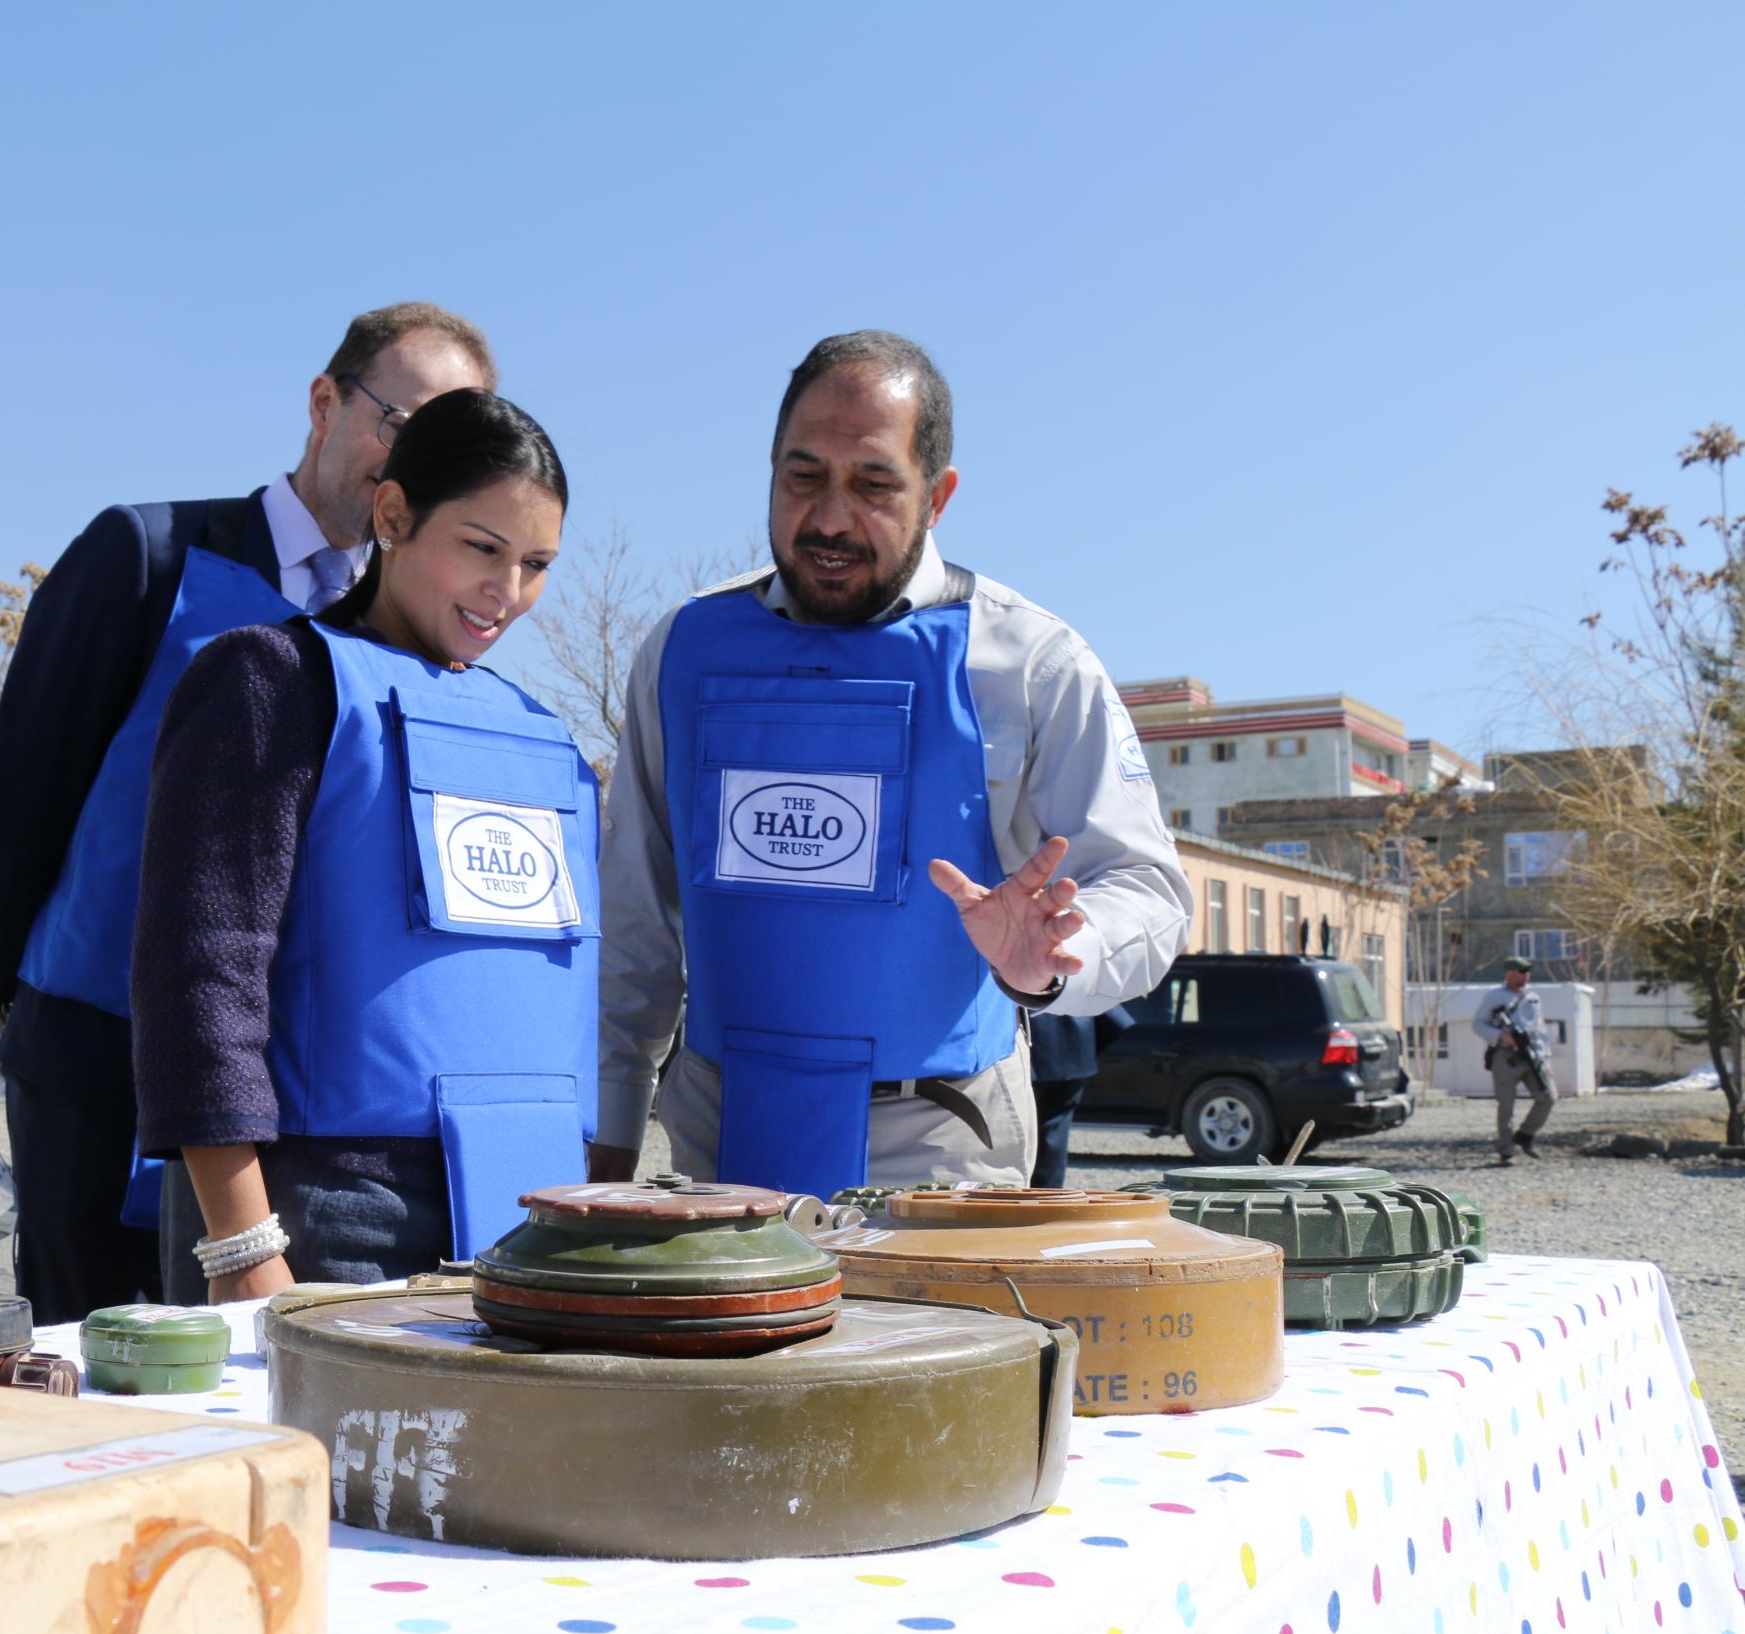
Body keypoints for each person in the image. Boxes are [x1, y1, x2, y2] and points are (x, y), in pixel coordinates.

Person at [0, 302, 496, 1324]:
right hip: (96, 1048)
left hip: (283, 1084)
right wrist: (8, 1005)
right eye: (400, 421)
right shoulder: (152, 554)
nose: (411, 464)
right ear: (324, 401)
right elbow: (29, 771)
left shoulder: (418, 634)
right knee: (91, 1348)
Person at [594, 331, 1192, 1197]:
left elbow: (1148, 885)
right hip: (720, 1146)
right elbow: (635, 924)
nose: (831, 518)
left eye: (873, 485)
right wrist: (611, 1129)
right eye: (804, 477)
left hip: (942, 1155)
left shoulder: (1028, 661)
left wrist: (1061, 954)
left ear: (938, 496)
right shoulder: (683, 650)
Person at [134, 389, 592, 1302]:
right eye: (482, 549)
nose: (508, 594)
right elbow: (201, 975)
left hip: (525, 1218)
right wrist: (241, 1244)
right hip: (328, 1217)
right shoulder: (271, 678)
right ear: (392, 516)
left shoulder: (542, 731)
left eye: (537, 563)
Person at [1026, 1007, 1134, 1188]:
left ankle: (1020, 1201)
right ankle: (1047, 1204)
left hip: (1028, 1053)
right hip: (1072, 1053)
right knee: (1052, 1135)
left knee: (1012, 1135)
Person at [1473, 955, 1555, 1164]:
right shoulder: (1495, 996)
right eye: (1521, 971)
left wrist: (1546, 1057)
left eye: (1527, 972)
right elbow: (1478, 1024)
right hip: (1506, 1056)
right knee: (1506, 1105)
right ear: (1509, 974)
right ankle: (1506, 1150)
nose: (1526, 975)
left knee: (1548, 1096)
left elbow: (1540, 1028)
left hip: (1532, 1054)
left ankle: (1525, 1135)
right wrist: (1501, 1036)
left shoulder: (1533, 997)